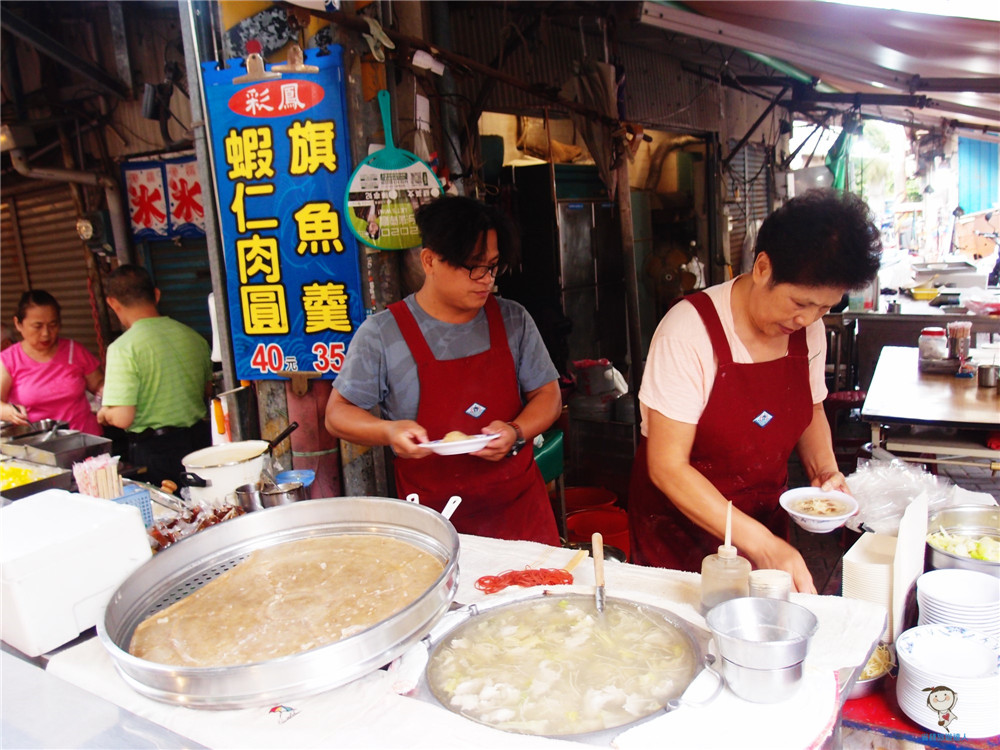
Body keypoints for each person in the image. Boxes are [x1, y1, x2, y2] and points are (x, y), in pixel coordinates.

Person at [628, 189, 882, 593]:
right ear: (763, 267)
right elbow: (666, 465)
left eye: (824, 308)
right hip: (679, 538)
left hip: (762, 525)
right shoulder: (689, 331)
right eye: (801, 302)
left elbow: (811, 409)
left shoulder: (809, 333)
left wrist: (825, 472)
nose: (808, 319)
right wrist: (762, 545)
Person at [325, 195, 562, 544]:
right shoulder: (383, 334)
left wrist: (516, 430)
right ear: (430, 261)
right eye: (473, 267)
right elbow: (336, 415)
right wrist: (389, 432)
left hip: (519, 513)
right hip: (436, 524)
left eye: (494, 266)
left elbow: (549, 396)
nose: (486, 279)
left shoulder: (513, 320)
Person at [97, 265, 213, 488]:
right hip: (200, 443)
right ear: (156, 295)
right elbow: (207, 391)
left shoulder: (123, 348)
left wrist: (104, 413)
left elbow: (122, 418)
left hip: (157, 452)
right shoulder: (192, 336)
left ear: (112, 303)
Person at [1, 290, 104, 435]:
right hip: (39, 444)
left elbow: (99, 384)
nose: (46, 333)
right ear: (18, 324)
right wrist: (7, 411)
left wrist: (105, 392)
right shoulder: (8, 360)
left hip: (85, 439)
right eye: (38, 326)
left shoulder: (74, 351)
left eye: (53, 325)